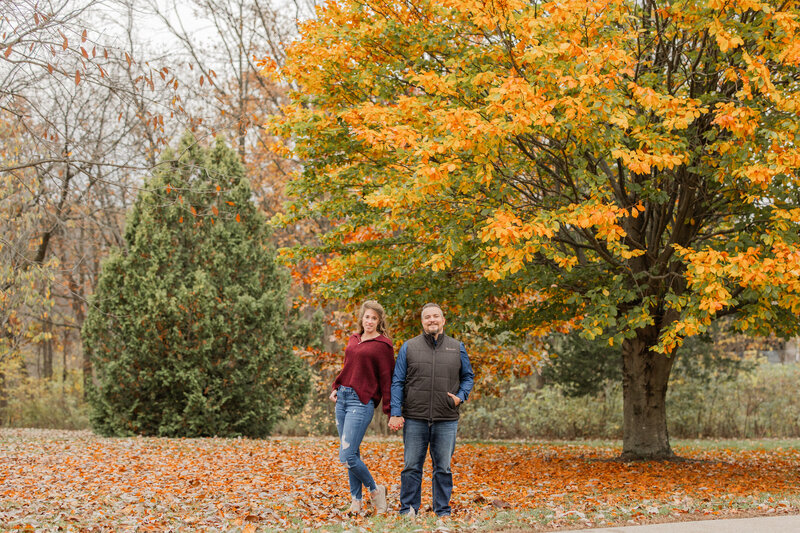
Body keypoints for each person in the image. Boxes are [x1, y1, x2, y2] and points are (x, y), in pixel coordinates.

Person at [388, 303, 474, 518]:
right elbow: (397, 381)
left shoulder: (457, 347)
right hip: (415, 417)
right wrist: (396, 412)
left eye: (436, 316)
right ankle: (408, 510)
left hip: (446, 418)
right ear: (422, 322)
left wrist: (460, 397)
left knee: (443, 468)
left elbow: (468, 377)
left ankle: (442, 512)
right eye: (428, 317)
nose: (432, 320)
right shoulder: (409, 347)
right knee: (411, 467)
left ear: (443, 320)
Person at [329, 300, 394, 514]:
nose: (370, 321)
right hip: (343, 399)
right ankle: (355, 502)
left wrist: (390, 410)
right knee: (352, 454)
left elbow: (387, 379)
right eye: (367, 317)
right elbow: (348, 367)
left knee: (346, 456)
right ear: (362, 318)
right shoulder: (353, 339)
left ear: (379, 321)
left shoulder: (383, 345)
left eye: (374, 318)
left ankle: (375, 491)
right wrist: (336, 386)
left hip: (361, 401)